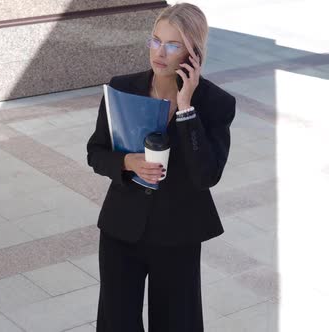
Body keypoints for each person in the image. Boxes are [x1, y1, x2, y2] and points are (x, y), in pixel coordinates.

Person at [86, 3, 237, 331]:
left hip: (178, 233)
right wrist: (128, 162)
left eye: (172, 45)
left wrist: (186, 109)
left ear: (193, 53)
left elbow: (206, 175)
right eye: (155, 40)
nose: (160, 52)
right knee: (117, 322)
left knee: (176, 323)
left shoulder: (216, 104)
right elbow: (96, 153)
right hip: (121, 228)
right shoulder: (122, 88)